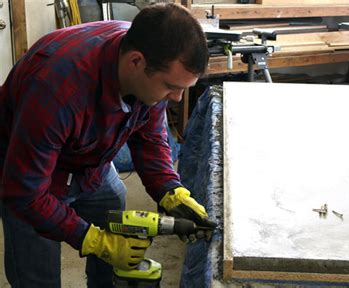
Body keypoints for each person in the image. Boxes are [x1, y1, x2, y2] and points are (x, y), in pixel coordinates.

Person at [0, 3, 216, 287]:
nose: (177, 98)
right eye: (170, 86)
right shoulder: (57, 88)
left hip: (90, 162)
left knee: (112, 201)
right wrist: (91, 238)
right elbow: (27, 193)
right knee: (37, 273)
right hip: (30, 171)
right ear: (135, 62)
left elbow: (149, 137)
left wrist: (170, 190)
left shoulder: (149, 59)